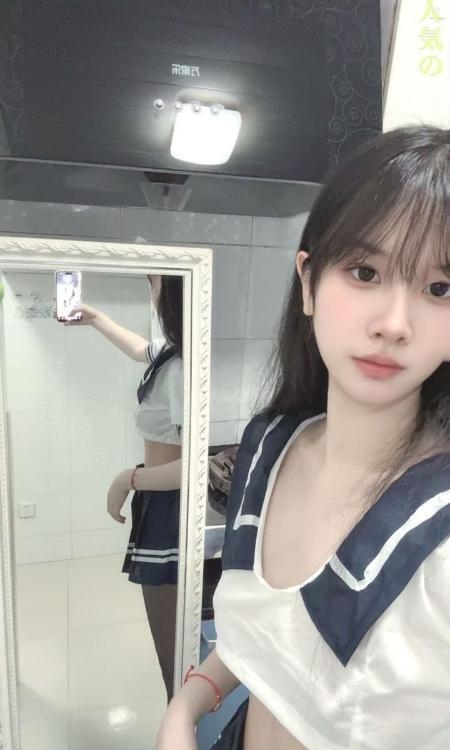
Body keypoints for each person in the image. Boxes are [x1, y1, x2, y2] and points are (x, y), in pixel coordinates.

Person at [155, 124, 450, 750]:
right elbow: (275, 632)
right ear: (309, 281)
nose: (394, 324)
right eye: (365, 271)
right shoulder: (270, 447)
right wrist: (188, 704)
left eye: (439, 288)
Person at [64, 274, 183, 702]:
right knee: (169, 639)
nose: (151, 293)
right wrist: (95, 318)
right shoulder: (171, 352)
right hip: (159, 498)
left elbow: (192, 466)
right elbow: (140, 349)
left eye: (154, 284)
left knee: (173, 646)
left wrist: (128, 479)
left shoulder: (182, 369)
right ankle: (180, 714)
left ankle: (181, 717)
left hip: (171, 505)